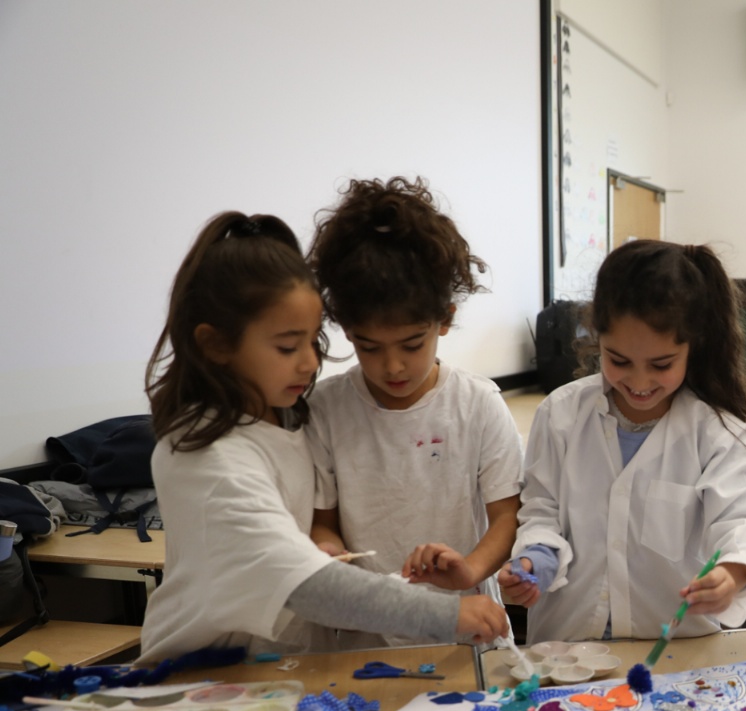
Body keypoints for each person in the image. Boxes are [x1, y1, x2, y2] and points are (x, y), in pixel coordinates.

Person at [139, 212, 509, 661]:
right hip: (204, 673)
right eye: (286, 347)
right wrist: (446, 614)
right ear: (216, 345)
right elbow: (305, 585)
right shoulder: (207, 457)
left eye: (313, 341)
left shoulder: (289, 421)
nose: (311, 362)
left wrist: (326, 549)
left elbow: (309, 539)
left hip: (286, 667)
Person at [498, 240, 746, 640]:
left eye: (661, 364)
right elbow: (542, 512)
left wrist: (731, 573)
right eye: (619, 360)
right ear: (597, 338)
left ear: (693, 347)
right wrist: (534, 561)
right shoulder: (560, 415)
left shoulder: (716, 432)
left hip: (675, 650)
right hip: (569, 648)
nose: (639, 381)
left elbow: (741, 520)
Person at [305, 178, 523, 646]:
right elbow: (324, 521)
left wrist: (470, 570)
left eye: (411, 344)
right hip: (368, 638)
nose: (393, 366)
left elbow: (507, 516)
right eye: (370, 347)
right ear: (347, 329)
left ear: (444, 319)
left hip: (467, 633)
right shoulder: (325, 410)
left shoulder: (477, 403)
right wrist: (329, 555)